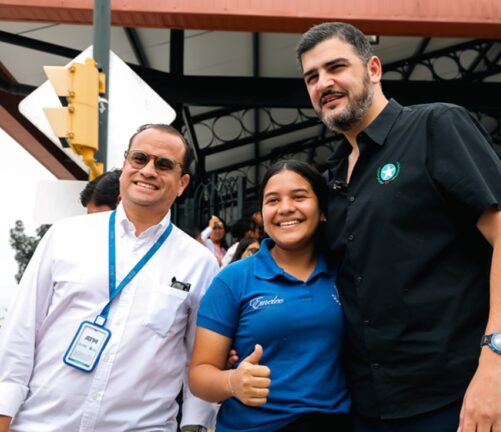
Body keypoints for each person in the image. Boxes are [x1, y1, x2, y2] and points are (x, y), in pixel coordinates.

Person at [296, 22, 501, 431]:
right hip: (368, 407)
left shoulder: (435, 126)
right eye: (311, 77)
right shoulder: (331, 179)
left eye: (336, 67)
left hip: (460, 398)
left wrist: (498, 361)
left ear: (373, 68)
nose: (324, 83)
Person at [0, 124, 218, 432]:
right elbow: (21, 332)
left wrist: (195, 425)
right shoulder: (65, 235)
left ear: (182, 183)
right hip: (41, 424)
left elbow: (198, 358)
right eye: (139, 158)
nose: (148, 171)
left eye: (164, 164)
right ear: (125, 164)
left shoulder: (200, 263)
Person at [189, 160, 351, 432]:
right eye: (273, 200)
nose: (285, 208)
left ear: (322, 210)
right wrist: (232, 382)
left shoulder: (346, 273)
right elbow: (199, 375)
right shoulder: (233, 279)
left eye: (299, 197)